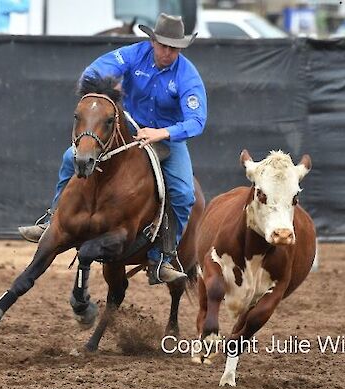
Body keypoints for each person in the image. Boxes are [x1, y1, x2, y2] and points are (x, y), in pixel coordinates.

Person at [20, 13, 207, 285]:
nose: (168, 52)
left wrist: (161, 132)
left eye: (174, 47)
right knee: (69, 158)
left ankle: (163, 256)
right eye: (163, 45)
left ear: (181, 48)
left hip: (166, 139)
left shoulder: (187, 74)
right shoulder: (134, 54)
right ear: (152, 41)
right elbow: (94, 71)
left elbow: (196, 120)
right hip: (126, 130)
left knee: (184, 193)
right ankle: (54, 218)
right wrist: (102, 92)